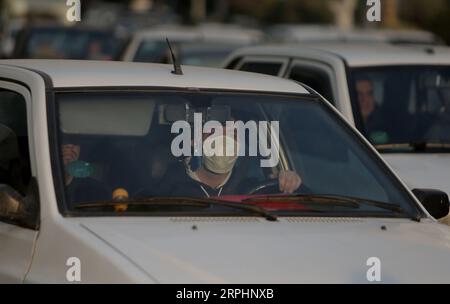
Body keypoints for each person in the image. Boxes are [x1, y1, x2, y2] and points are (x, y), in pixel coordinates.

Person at [159, 125, 302, 198]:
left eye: (231, 134)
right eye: (214, 132)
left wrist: (288, 182)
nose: (223, 141)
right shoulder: (165, 188)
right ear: (194, 141)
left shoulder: (251, 188)